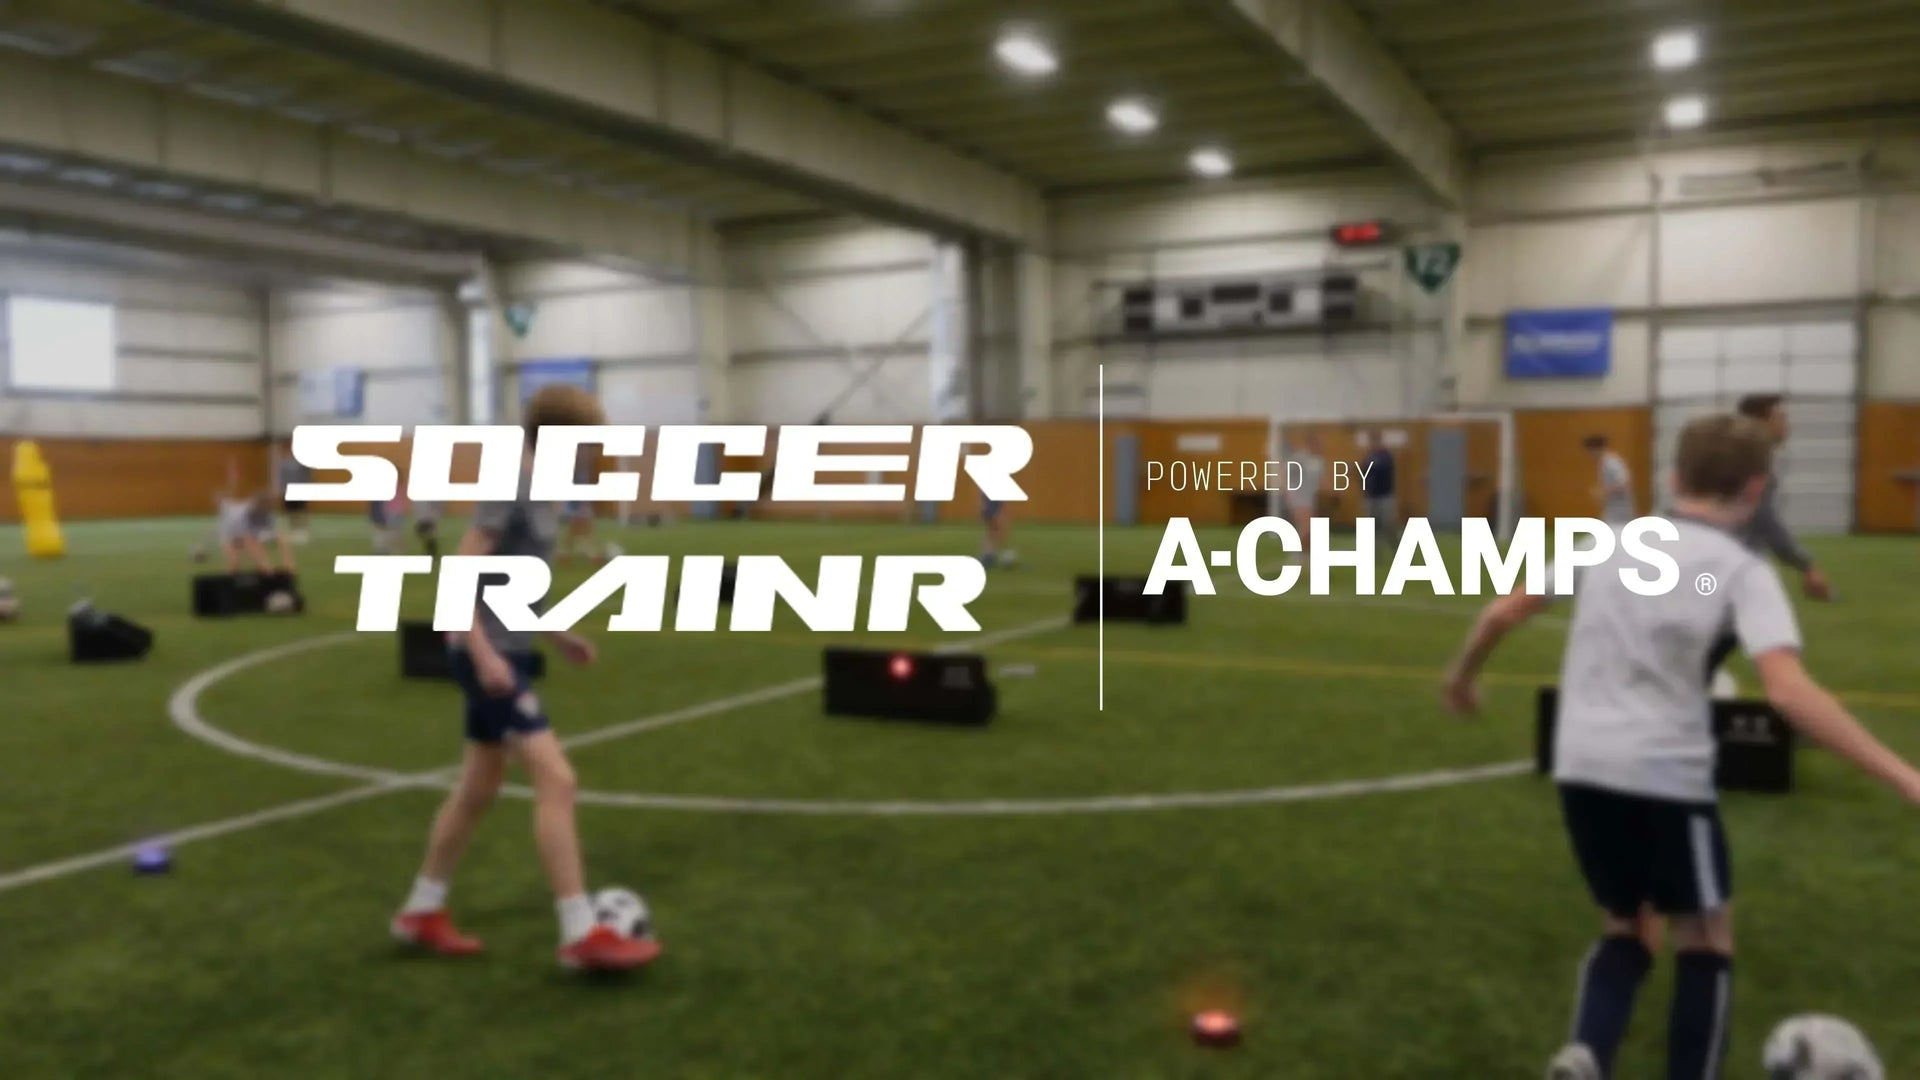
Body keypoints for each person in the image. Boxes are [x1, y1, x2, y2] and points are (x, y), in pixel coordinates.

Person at [1439, 413, 1920, 1080]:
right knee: (1706, 934)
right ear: (1756, 490)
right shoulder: (1739, 570)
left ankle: (1588, 1052)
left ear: (1672, 478)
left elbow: (1502, 612)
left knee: (1628, 925)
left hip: (1581, 765)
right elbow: (1787, 693)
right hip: (1665, 772)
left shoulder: (1607, 544)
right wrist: (1903, 775)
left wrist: (1461, 677)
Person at [389, 384, 659, 972]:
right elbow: (460, 574)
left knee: (479, 786)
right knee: (557, 781)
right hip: (488, 657)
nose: (589, 456)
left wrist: (558, 633)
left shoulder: (543, 490)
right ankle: (580, 932)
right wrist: (483, 655)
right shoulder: (512, 484)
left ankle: (420, 911)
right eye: (585, 444)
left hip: (502, 649)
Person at [1731, 394, 1831, 602]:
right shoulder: (1752, 465)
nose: (1786, 425)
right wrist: (1806, 566)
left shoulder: (1736, 457)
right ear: (1760, 423)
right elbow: (1766, 521)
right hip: (1735, 562)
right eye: (1780, 418)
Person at [1288, 435, 1326, 565]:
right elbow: (1285, 474)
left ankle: (1304, 554)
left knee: (1310, 528)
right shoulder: (1300, 458)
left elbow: (1320, 482)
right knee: (1307, 527)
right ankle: (1297, 554)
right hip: (1298, 498)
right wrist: (1289, 492)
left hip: (1311, 499)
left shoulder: (1319, 461)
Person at [1584, 434, 1636, 526]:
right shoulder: (1604, 462)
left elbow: (1625, 482)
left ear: (1594, 449)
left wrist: (1604, 492)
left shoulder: (1612, 462)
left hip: (1620, 510)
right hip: (1612, 509)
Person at [1361, 434, 1398, 542]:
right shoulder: (1369, 456)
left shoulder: (1386, 456)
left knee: (1388, 524)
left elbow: (1381, 468)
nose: (1372, 445)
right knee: (1372, 525)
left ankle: (1395, 544)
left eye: (1375, 442)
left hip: (1385, 495)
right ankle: (1375, 547)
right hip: (1371, 495)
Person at [274, 445, 312, 545]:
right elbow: (281, 478)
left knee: (300, 510)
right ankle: (294, 531)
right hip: (288, 490)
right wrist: (280, 490)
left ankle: (303, 531)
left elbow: (307, 476)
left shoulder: (301, 463)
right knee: (291, 511)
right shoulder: (283, 463)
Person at [980, 489, 1017, 569]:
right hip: (992, 503)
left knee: (994, 530)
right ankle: (989, 556)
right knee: (997, 529)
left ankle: (989, 555)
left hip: (992, 503)